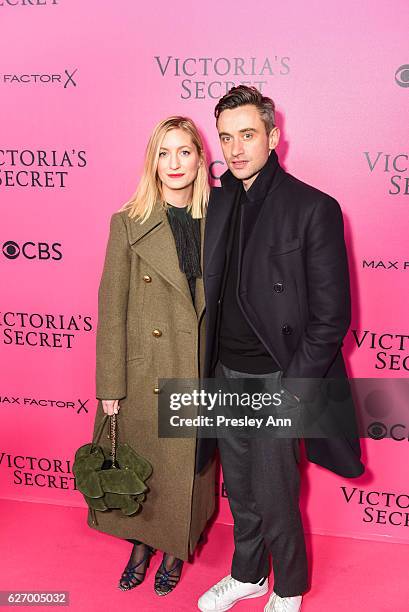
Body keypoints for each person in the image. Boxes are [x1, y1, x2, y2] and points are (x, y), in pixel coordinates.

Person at [197, 86, 364, 612]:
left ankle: (288, 587)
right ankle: (247, 574)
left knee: (274, 493)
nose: (237, 148)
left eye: (248, 134)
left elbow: (332, 316)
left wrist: (295, 386)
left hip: (277, 377)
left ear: (273, 136)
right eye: (226, 137)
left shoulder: (314, 207)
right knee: (241, 489)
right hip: (225, 372)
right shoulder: (218, 200)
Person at [90, 116, 215, 597]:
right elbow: (111, 308)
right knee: (147, 465)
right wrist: (110, 388)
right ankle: (141, 544)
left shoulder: (221, 219)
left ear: (200, 158)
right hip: (147, 371)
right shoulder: (128, 223)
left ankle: (173, 548)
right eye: (164, 153)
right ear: (152, 162)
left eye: (184, 151)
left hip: (201, 369)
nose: (174, 163)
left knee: (188, 470)